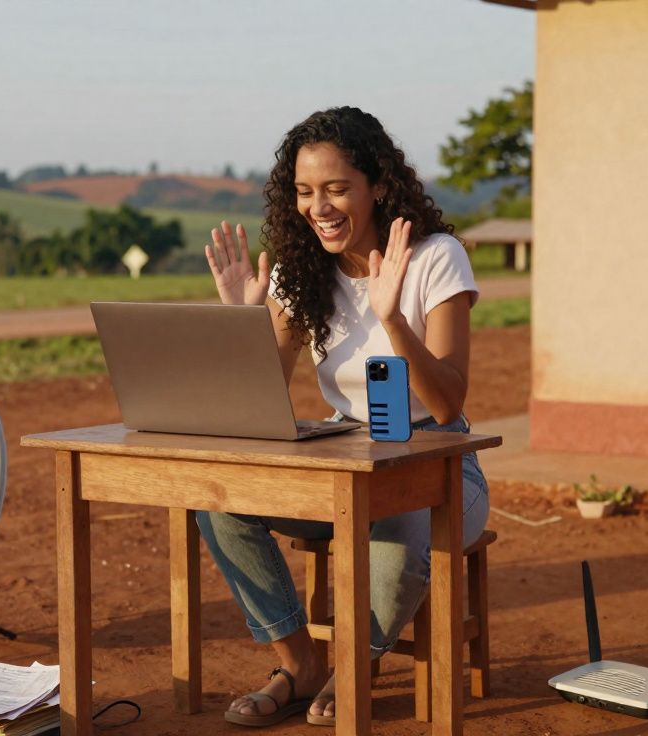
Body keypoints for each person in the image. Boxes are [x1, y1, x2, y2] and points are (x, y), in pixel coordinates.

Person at [197, 106, 490, 728]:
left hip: (439, 465)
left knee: (403, 520)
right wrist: (241, 322)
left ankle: (354, 666)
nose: (319, 207)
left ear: (378, 185)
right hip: (345, 461)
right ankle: (300, 663)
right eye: (305, 192)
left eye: (335, 188)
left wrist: (393, 318)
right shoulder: (302, 270)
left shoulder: (436, 257)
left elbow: (448, 403)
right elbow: (258, 398)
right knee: (218, 500)